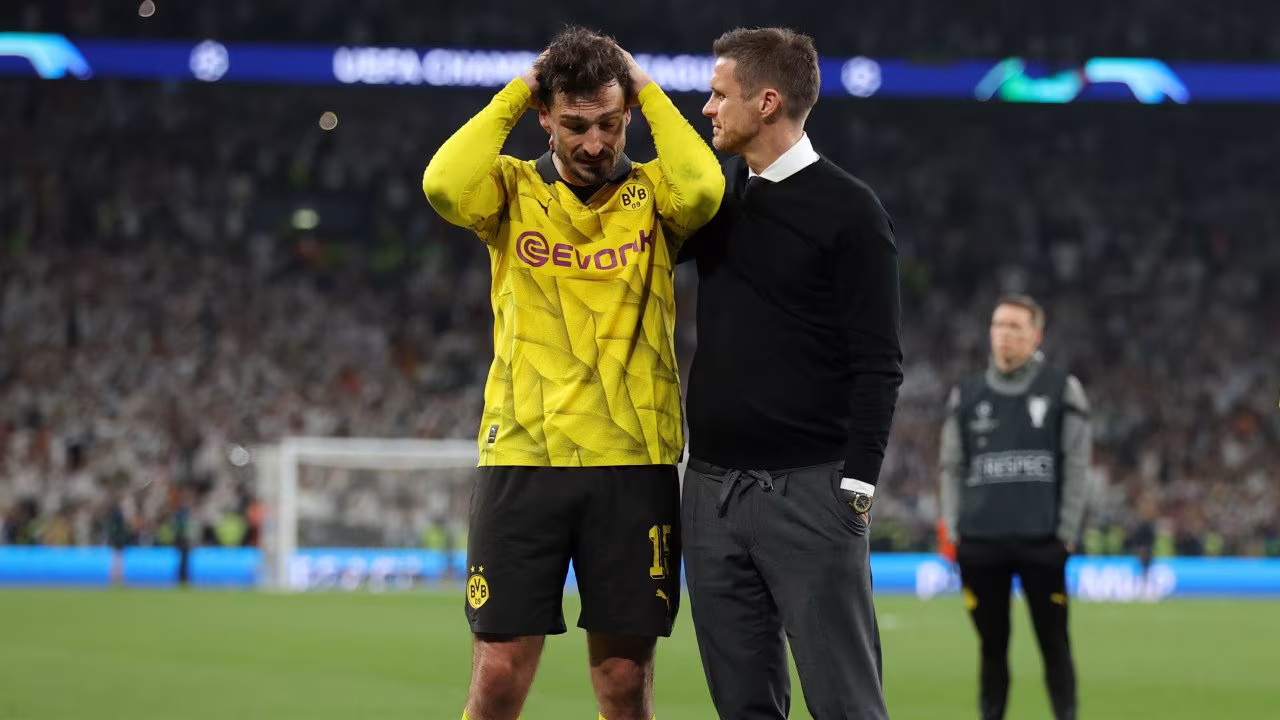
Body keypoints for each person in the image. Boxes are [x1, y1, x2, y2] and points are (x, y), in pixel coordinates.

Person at [421, 26, 723, 720]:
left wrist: (646, 89)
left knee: (623, 680)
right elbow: (442, 183)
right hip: (523, 454)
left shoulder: (655, 196)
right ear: (545, 118)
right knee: (498, 674)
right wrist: (520, 88)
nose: (594, 143)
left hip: (633, 460)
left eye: (609, 124)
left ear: (628, 115)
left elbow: (706, 188)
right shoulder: (510, 189)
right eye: (576, 125)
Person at [679, 27, 902, 720]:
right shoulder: (717, 201)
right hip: (710, 494)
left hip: (811, 495)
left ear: (767, 102)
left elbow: (879, 361)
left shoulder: (851, 211)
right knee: (742, 708)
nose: (707, 109)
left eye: (719, 94)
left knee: (845, 705)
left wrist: (855, 489)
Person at [938, 294, 1091, 720]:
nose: (1003, 334)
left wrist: (1066, 531)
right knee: (991, 647)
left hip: (1042, 541)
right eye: (998, 325)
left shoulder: (1062, 389)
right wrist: (953, 528)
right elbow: (950, 466)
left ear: (1035, 336)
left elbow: (1077, 465)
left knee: (1054, 645)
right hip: (980, 542)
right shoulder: (966, 394)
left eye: (1014, 327)